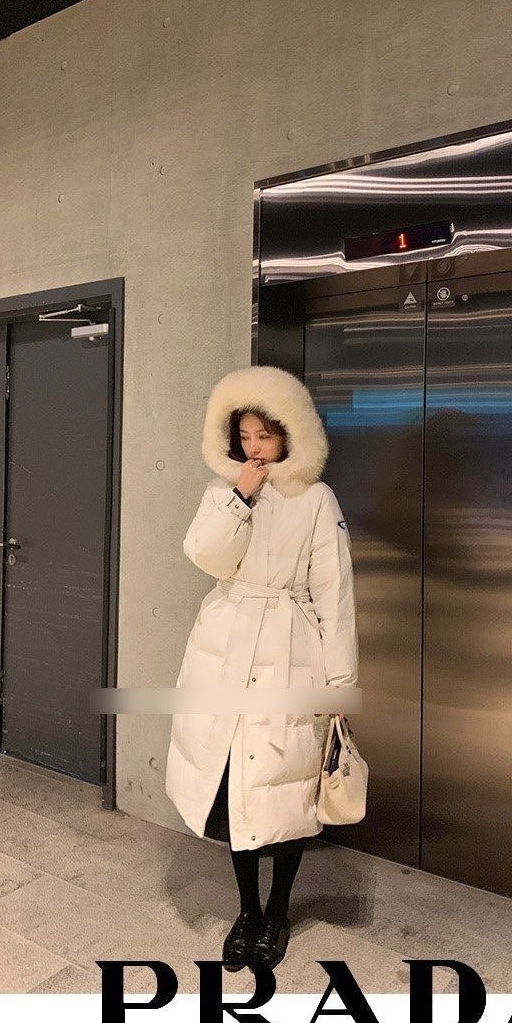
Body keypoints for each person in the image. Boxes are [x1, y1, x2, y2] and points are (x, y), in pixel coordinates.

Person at [165, 364, 358, 971]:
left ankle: (278, 911)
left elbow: (335, 592)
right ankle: (247, 910)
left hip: (291, 650)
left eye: (264, 437)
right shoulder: (221, 492)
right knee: (236, 791)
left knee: (285, 789)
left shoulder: (317, 499)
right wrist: (240, 498)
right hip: (226, 649)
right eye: (244, 436)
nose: (253, 448)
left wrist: (340, 683)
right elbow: (206, 556)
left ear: (288, 435)